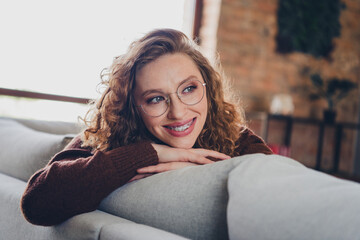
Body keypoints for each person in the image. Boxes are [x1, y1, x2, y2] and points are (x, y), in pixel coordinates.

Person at [21, 28, 272, 226]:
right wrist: (152, 153)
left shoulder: (236, 138)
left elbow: (281, 197)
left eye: (189, 89)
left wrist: (205, 172)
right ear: (133, 107)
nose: (178, 112)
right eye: (155, 99)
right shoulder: (106, 137)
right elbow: (37, 202)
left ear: (208, 88)